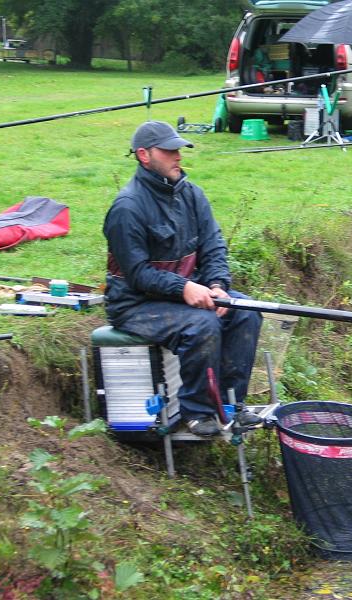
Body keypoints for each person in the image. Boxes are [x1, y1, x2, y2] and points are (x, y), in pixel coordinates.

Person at [103, 121, 263, 437]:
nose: (178, 156)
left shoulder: (192, 194)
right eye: (169, 150)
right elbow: (138, 274)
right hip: (136, 304)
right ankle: (196, 412)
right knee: (204, 325)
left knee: (245, 311)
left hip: (179, 297)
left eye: (178, 149)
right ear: (144, 155)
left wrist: (218, 286)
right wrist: (185, 287)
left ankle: (232, 405)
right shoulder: (127, 208)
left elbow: (213, 244)